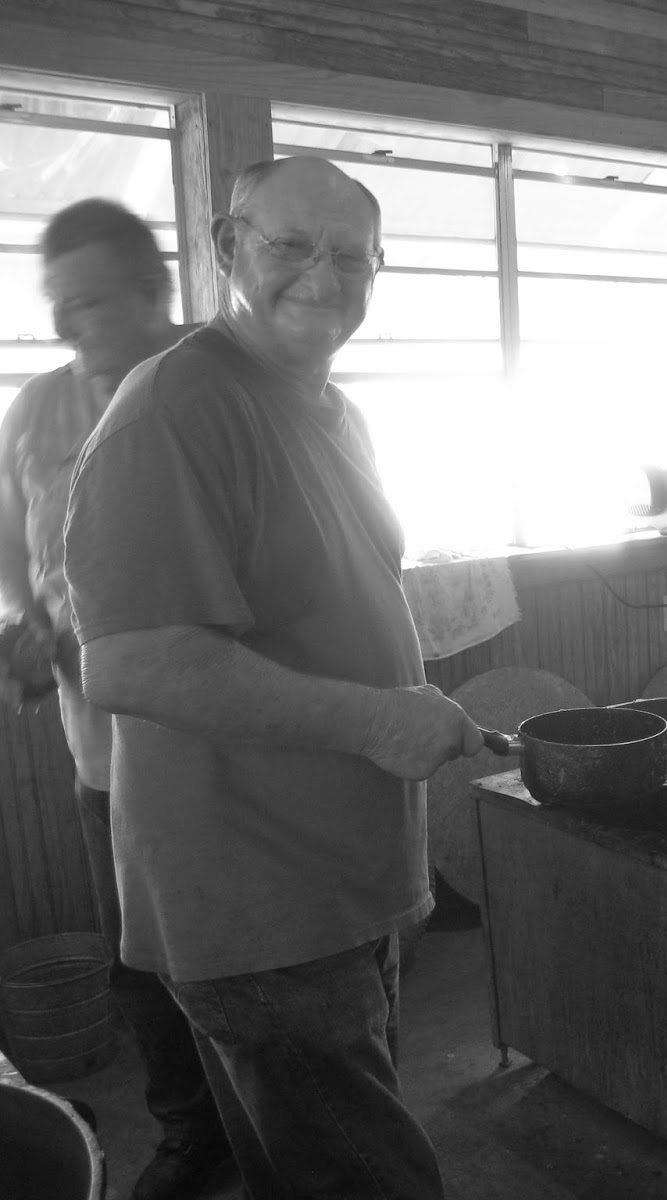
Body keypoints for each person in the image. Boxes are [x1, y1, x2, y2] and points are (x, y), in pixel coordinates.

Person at [63, 157, 484, 1199]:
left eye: (351, 254)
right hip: (257, 898)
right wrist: (381, 724)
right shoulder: (176, 405)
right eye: (290, 246)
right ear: (224, 247)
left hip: (336, 885)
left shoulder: (328, 409)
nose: (321, 275)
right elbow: (131, 660)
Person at [0, 200, 231, 1200]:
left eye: (85, 302)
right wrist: (26, 622)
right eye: (56, 303)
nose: (64, 327)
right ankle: (192, 1132)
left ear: (155, 295)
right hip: (102, 751)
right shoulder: (35, 411)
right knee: (139, 961)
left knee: (248, 956)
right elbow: (16, 555)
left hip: (229, 743)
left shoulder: (225, 388)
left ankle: (277, 1130)